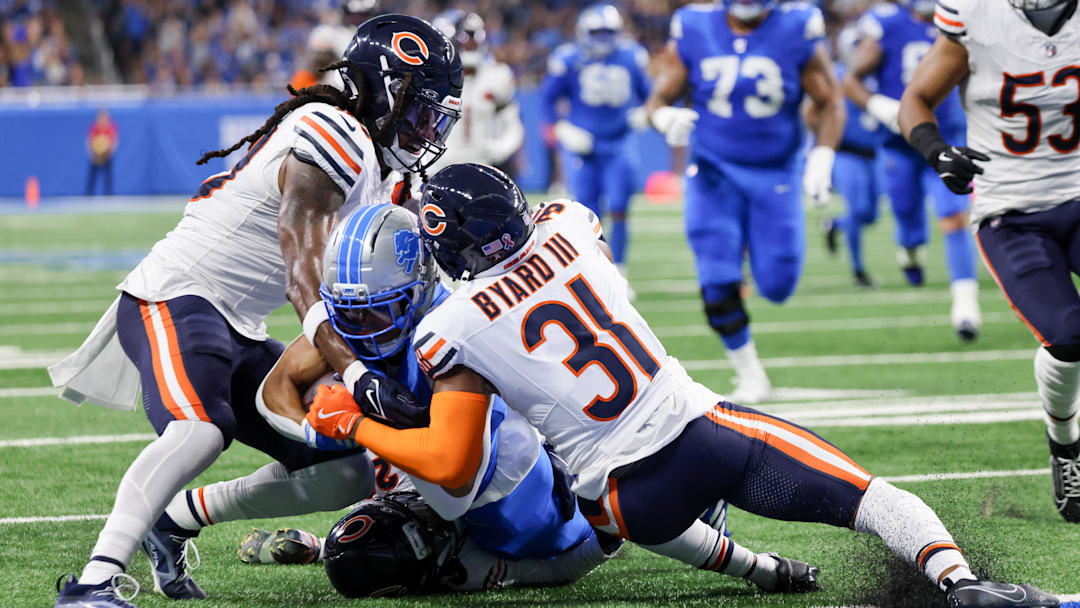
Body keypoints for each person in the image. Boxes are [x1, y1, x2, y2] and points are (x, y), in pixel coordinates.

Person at [306, 163, 1059, 608]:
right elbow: (562, 223)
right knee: (870, 502)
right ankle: (959, 584)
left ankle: (763, 569)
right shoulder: (569, 226)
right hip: (702, 434)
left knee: (588, 531)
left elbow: (445, 461)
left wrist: (355, 421)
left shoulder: (453, 327)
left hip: (628, 501)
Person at [49, 15, 463, 607]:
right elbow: (305, 273)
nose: (427, 129)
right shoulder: (333, 131)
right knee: (200, 430)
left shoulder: (379, 168)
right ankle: (93, 581)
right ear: (387, 88)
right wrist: (353, 373)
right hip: (179, 293)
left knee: (345, 468)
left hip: (240, 325)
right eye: (421, 110)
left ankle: (174, 519)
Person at [224, 204, 615, 595]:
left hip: (509, 497)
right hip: (470, 466)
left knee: (367, 554)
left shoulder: (448, 336)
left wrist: (352, 423)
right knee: (365, 527)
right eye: (345, 312)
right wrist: (315, 430)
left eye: (375, 311)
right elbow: (275, 391)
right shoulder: (366, 322)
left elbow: (452, 492)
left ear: (419, 289)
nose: (358, 329)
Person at [898, 0, 1080, 522]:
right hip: (1012, 211)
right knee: (1068, 336)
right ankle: (1065, 443)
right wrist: (936, 151)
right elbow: (915, 99)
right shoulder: (975, 14)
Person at [645, 0, 845, 403]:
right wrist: (664, 118)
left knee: (778, 283)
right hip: (713, 171)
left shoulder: (797, 26)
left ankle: (760, 265)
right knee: (716, 275)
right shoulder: (695, 25)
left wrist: (822, 156)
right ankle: (750, 373)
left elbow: (831, 101)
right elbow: (658, 98)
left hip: (776, 172)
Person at [843, 0, 981, 341]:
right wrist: (877, 104)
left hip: (945, 137)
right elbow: (852, 79)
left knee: (953, 216)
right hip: (899, 144)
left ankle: (965, 306)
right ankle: (909, 250)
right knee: (907, 220)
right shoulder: (886, 23)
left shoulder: (967, 17)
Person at [540, 3, 651, 289]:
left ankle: (620, 272)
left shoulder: (631, 55)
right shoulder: (568, 57)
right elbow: (547, 101)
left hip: (619, 141)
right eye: (596, 32)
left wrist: (646, 112)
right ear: (583, 32)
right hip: (583, 146)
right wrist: (564, 128)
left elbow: (651, 95)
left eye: (608, 32)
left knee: (619, 206)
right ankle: (591, 271)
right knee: (586, 213)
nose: (602, 38)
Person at [813, 25, 882, 288]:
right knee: (856, 210)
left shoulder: (877, 74)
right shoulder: (838, 76)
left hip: (873, 152)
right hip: (846, 153)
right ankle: (858, 270)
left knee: (871, 214)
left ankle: (835, 225)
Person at [430, 10, 524, 178]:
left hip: (484, 165)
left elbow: (512, 125)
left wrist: (500, 148)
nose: (470, 44)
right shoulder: (433, 79)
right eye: (465, 38)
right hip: (440, 166)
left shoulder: (497, 75)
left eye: (474, 38)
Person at [86, 109, 117, 196]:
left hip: (107, 155)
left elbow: (114, 140)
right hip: (96, 155)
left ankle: (108, 193)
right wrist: (92, 152)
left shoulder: (110, 127)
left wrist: (110, 152)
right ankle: (89, 193)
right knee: (92, 175)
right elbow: (89, 139)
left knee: (108, 175)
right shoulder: (95, 127)